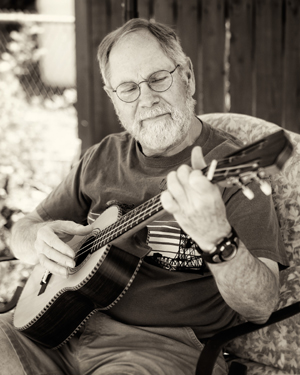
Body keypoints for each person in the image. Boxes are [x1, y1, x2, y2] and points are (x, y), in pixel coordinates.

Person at [2, 18, 288, 375]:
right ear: (113, 98)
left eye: (158, 79)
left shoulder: (229, 169)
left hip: (162, 351)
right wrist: (35, 240)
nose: (147, 98)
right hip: (60, 330)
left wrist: (217, 236)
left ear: (187, 77)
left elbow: (260, 306)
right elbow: (24, 229)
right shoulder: (101, 156)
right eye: (129, 88)